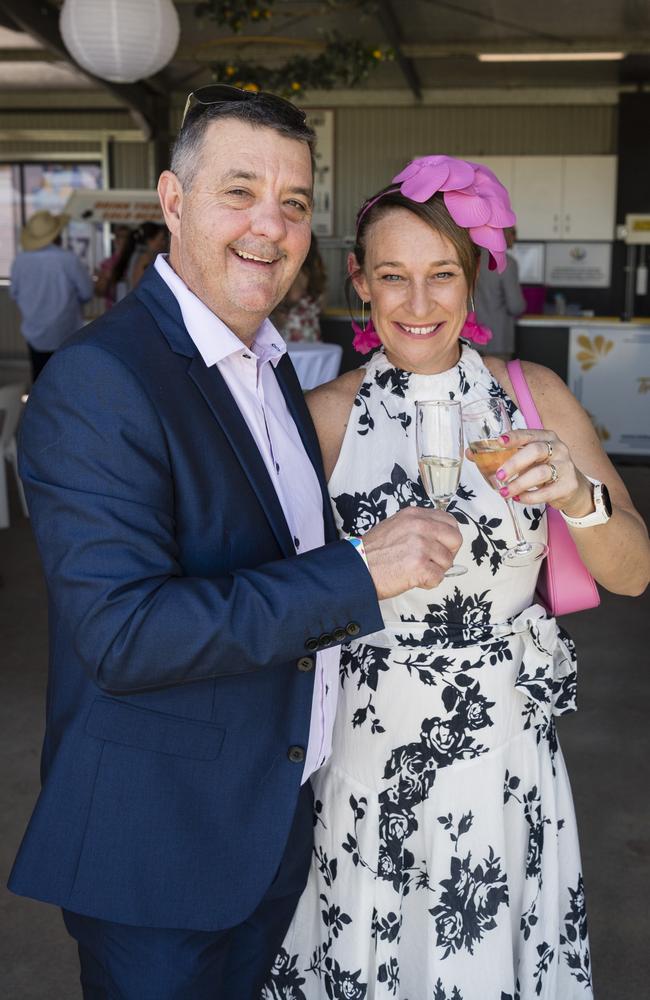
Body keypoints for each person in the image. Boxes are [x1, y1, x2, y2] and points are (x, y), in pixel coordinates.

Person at [8, 91, 463, 999]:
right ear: (173, 202)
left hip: (267, 822)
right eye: (240, 191)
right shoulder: (104, 380)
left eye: (293, 203)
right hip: (159, 849)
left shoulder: (272, 367)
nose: (271, 225)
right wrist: (359, 572)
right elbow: (125, 635)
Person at [264, 155, 650, 999]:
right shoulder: (324, 416)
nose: (419, 303)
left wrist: (579, 501)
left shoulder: (534, 396)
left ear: (473, 281)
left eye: (442, 275)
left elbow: (632, 573)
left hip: (503, 747)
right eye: (393, 276)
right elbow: (268, 599)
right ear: (360, 282)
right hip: (370, 747)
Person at [10, 210, 93, 381]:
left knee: (40, 383)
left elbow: (14, 293)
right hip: (66, 333)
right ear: (57, 235)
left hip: (35, 336)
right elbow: (87, 292)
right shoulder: (68, 260)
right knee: (67, 384)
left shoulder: (20, 261)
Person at [474, 225, 526, 359]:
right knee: (497, 379)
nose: (516, 238)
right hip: (497, 340)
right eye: (513, 233)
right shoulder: (506, 262)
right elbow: (515, 306)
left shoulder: (471, 259)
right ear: (502, 234)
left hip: (470, 339)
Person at [272, 232, 326, 342]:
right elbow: (322, 306)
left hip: (294, 330)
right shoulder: (316, 272)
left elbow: (294, 296)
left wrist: (277, 305)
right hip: (312, 332)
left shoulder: (297, 272)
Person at [94, 224, 137, 308]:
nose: (124, 240)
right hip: (114, 310)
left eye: (126, 237)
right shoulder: (107, 263)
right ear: (115, 240)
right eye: (120, 237)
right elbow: (98, 291)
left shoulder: (137, 260)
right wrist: (105, 279)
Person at [127, 221, 168, 289]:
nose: (163, 243)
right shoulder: (144, 259)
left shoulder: (140, 256)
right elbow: (138, 284)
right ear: (150, 241)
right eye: (161, 239)